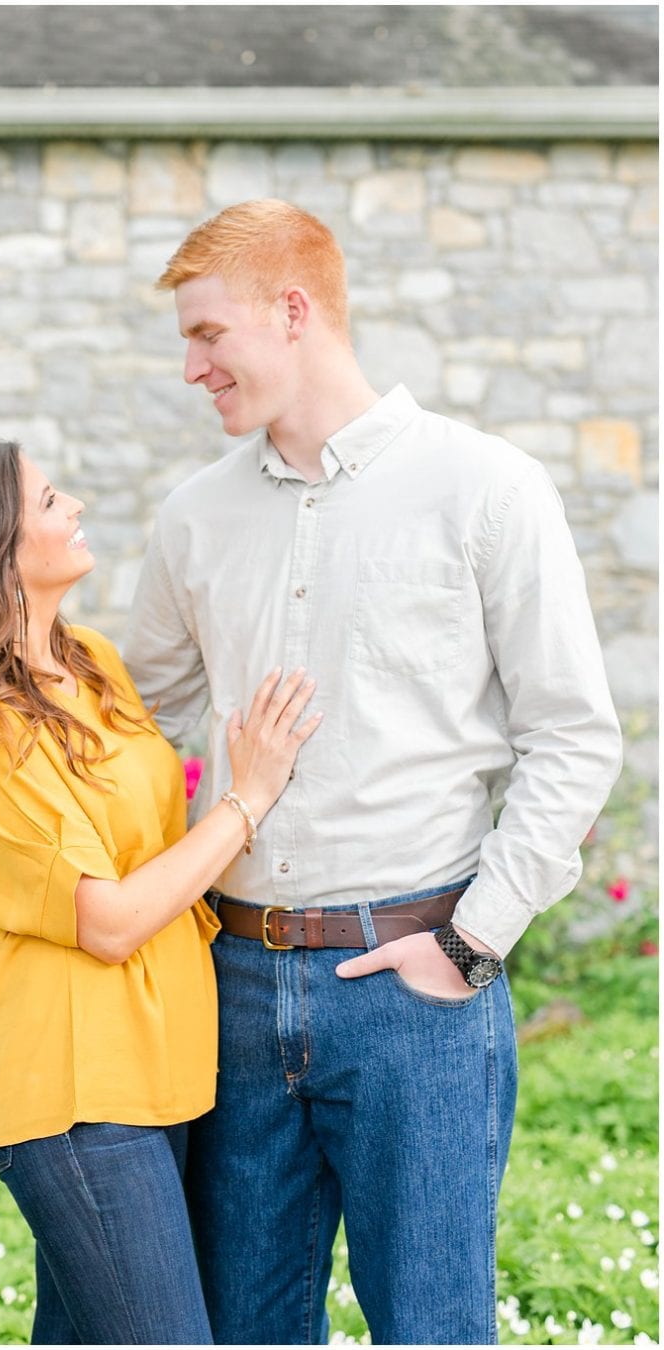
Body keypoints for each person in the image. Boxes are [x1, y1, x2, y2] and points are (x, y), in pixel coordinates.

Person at [127, 199, 624, 1344]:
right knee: (240, 1328)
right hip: (231, 988)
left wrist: (472, 940)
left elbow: (573, 734)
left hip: (415, 987)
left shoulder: (485, 488)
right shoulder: (194, 519)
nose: (192, 367)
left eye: (209, 334)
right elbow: (136, 724)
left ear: (293, 312)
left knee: (433, 1327)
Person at [0, 439, 321, 1344]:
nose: (75, 504)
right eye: (49, 501)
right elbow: (115, 919)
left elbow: (141, 854)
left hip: (165, 1067)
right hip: (76, 1084)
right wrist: (251, 796)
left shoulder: (91, 661)